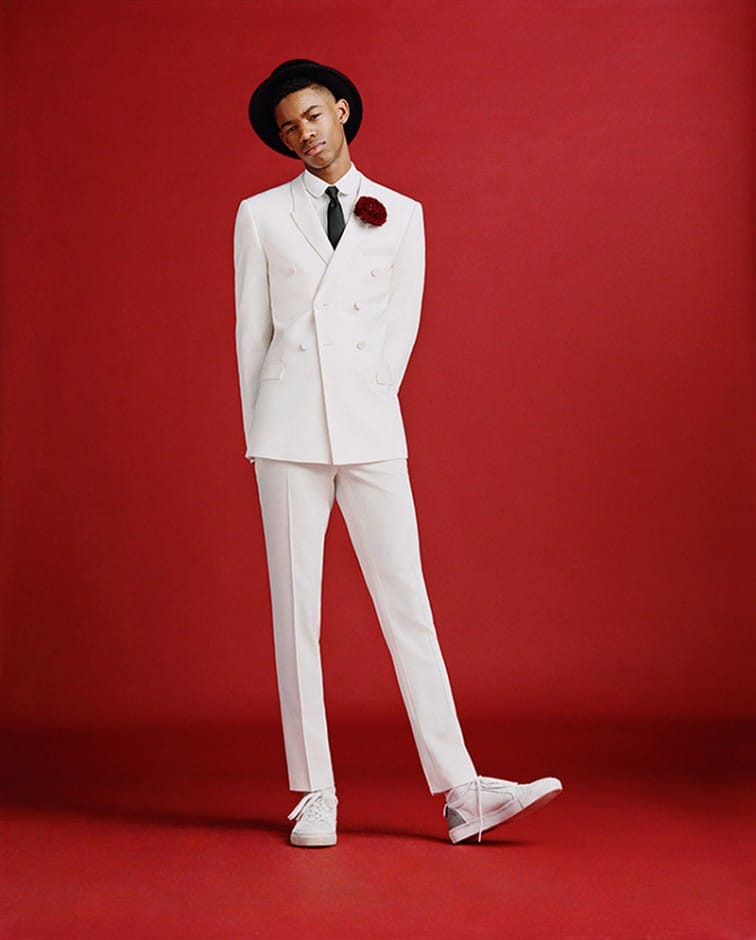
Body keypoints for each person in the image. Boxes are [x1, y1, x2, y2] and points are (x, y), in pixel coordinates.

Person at [233, 59, 562, 846]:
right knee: (296, 613)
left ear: (342, 110)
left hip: (371, 425)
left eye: (313, 115)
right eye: (289, 128)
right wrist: (260, 432)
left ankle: (462, 791)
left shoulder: (403, 214)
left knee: (407, 602)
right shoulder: (260, 215)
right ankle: (316, 791)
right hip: (286, 429)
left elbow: (399, 330)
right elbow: (251, 332)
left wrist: (372, 395)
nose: (304, 134)